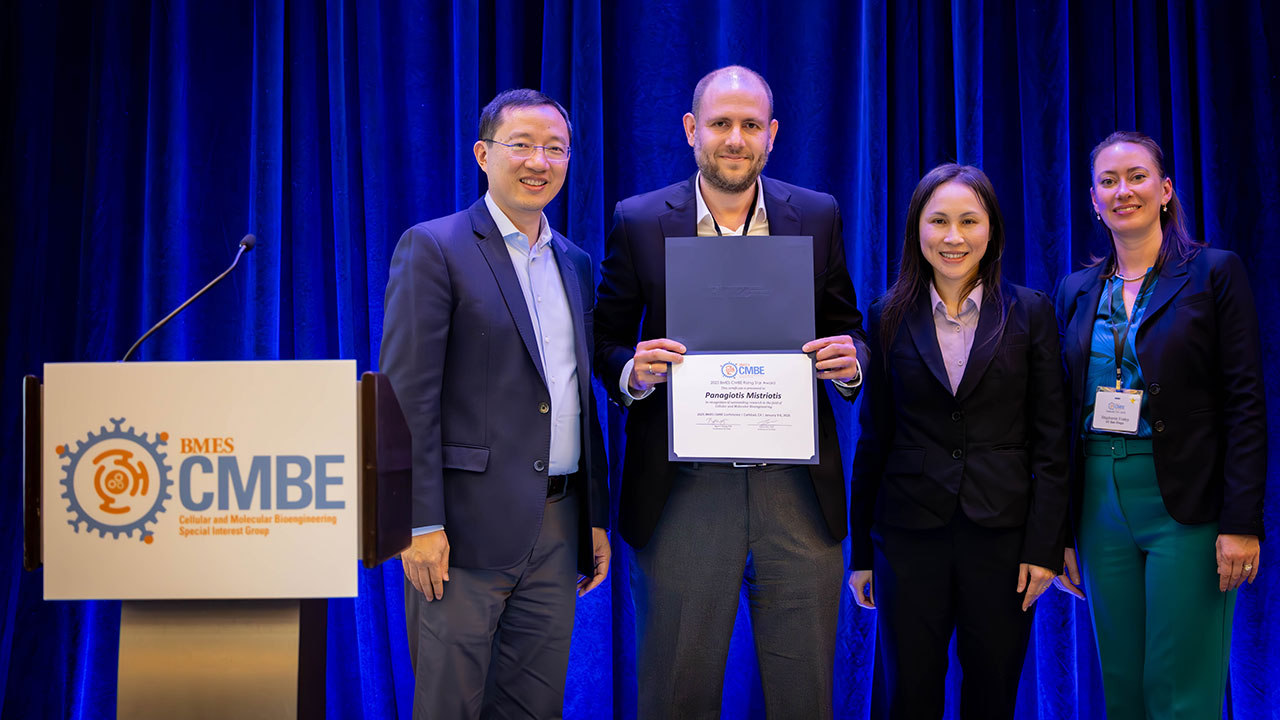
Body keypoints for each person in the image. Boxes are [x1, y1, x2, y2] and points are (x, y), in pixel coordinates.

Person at [593, 65, 866, 719]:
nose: (735, 138)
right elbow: (601, 340)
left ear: (771, 135)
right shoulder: (637, 221)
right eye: (721, 124)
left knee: (805, 698)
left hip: (796, 490)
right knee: (675, 695)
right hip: (683, 490)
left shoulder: (817, 215)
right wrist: (634, 369)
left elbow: (848, 329)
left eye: (750, 125)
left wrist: (850, 362)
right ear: (692, 130)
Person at [379, 88, 611, 719]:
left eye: (555, 148)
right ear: (483, 154)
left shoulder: (577, 264)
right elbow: (404, 399)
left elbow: (574, 394)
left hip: (560, 528)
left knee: (534, 708)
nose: (540, 160)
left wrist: (593, 513)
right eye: (522, 145)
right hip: (460, 532)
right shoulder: (434, 248)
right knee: (448, 705)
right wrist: (417, 522)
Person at [1052, 130, 1266, 718]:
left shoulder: (1215, 274)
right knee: (1120, 690)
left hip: (1187, 505)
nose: (1124, 191)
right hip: (1098, 503)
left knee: (1180, 695)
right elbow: (1059, 415)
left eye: (1138, 177)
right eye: (1108, 181)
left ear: (1165, 190)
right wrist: (1061, 531)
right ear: (1094, 200)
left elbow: (1245, 403)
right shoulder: (1074, 291)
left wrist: (1242, 519)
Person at [847, 164, 1069, 719]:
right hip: (906, 537)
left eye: (969, 221)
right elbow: (873, 439)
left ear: (990, 228)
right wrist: (862, 552)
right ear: (916, 229)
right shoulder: (886, 315)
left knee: (992, 693)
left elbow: (1052, 441)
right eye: (938, 220)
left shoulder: (1031, 311)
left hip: (1003, 537)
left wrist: (1045, 547)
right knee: (909, 694)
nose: (953, 237)